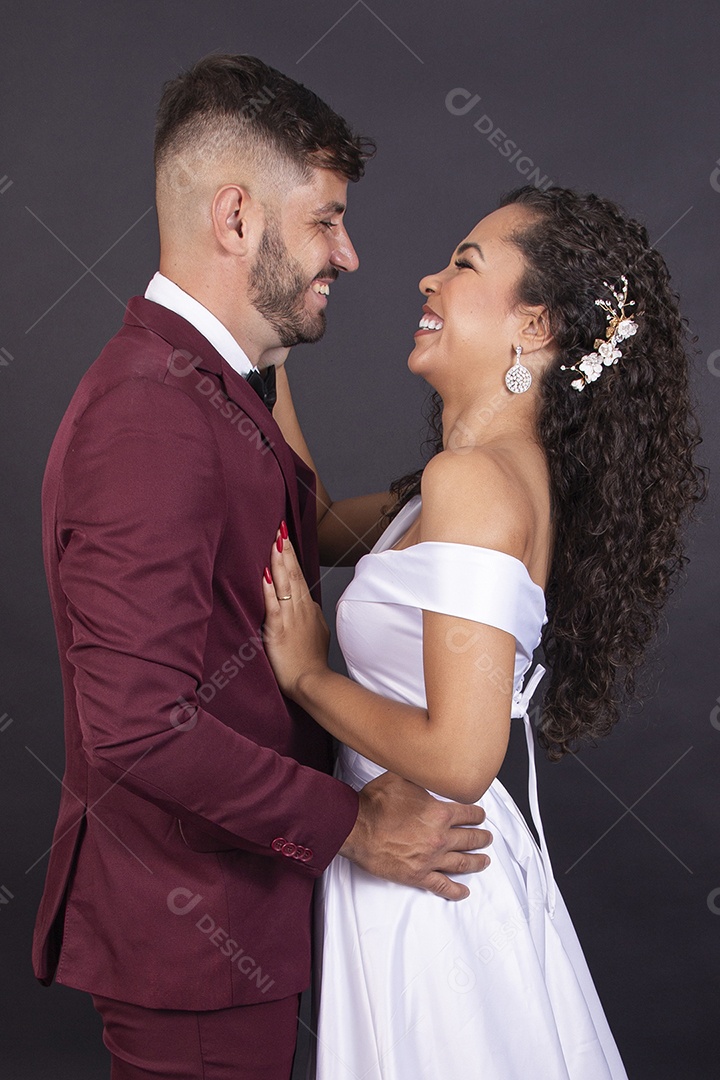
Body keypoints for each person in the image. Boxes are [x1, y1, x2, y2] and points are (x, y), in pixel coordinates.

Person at [31, 55, 494, 1080]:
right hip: (187, 943)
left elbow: (295, 530)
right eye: (326, 220)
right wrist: (353, 828)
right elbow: (136, 721)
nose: (352, 253)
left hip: (238, 925)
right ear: (237, 219)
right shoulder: (149, 414)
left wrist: (462, 502)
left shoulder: (212, 383)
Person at [262, 185, 706, 1078]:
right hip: (428, 857)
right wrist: (263, 351)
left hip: (437, 874)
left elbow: (463, 757)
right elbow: (305, 523)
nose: (428, 277)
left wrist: (308, 677)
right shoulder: (468, 481)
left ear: (533, 329)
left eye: (464, 264)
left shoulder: (477, 482)